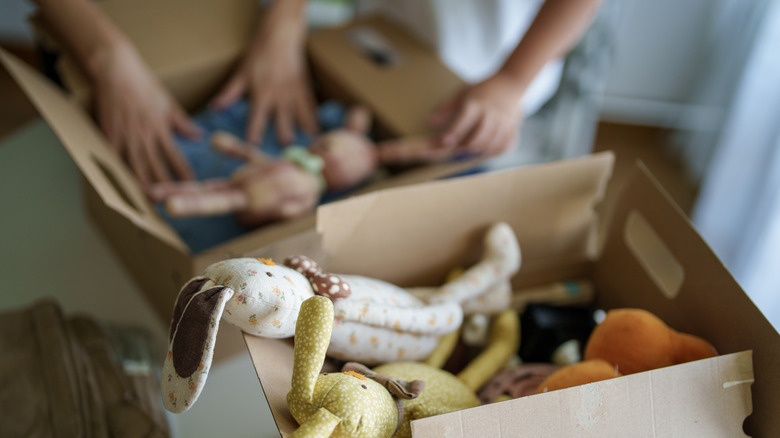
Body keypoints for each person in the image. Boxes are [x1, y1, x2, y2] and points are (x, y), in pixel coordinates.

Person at [31, 0, 602, 188]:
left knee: (453, 169)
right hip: (385, 34)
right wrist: (285, 21)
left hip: (495, 77)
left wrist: (512, 82)